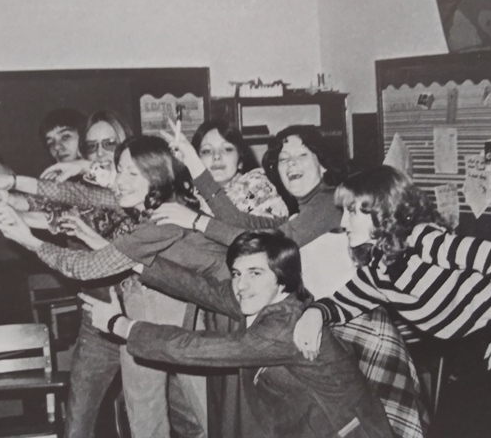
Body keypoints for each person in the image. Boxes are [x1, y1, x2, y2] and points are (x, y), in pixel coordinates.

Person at [154, 125, 428, 438]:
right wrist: (193, 161)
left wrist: (195, 220)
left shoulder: (330, 201)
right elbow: (242, 224)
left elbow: (265, 246)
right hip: (335, 331)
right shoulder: (302, 212)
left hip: (361, 333)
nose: (291, 164)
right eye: (284, 158)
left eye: (301, 155)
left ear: (322, 164)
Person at [0, 135, 225, 438]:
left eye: (132, 173)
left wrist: (29, 240)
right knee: (148, 416)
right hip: (150, 308)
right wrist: (10, 182)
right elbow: (79, 194)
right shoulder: (149, 202)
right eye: (120, 170)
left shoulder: (164, 221)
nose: (120, 181)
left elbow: (86, 267)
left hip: (211, 318)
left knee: (211, 420)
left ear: (158, 178)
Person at [293, 165, 491, 438]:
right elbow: (340, 304)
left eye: (352, 211)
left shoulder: (421, 239)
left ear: (382, 209)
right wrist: (314, 314)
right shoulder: (379, 271)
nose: (343, 223)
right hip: (469, 353)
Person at [79, 230, 394, 438]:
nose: (241, 285)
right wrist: (126, 259)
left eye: (254, 273)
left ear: (282, 278)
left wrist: (119, 324)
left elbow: (196, 348)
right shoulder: (269, 298)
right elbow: (199, 287)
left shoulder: (284, 326)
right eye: (236, 274)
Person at [191, 120, 287, 217]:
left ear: (240, 162)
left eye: (227, 149)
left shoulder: (255, 185)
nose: (216, 156)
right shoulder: (190, 192)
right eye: (207, 151)